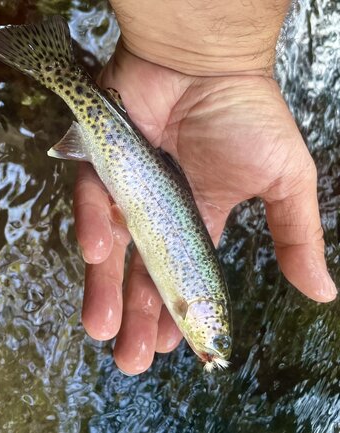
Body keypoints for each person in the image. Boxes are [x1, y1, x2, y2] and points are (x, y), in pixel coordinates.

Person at [72, 0, 337, 375]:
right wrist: (219, 57)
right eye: (220, 339)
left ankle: (64, 77)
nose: (214, 347)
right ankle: (62, 75)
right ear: (205, 315)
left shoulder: (190, 308)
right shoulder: (187, 304)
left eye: (219, 342)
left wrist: (219, 52)